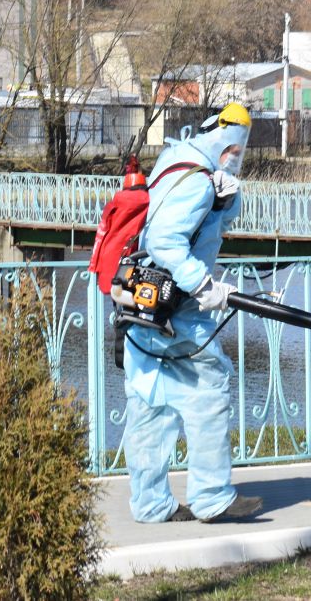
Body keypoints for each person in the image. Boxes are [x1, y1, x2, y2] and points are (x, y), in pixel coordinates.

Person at [122, 102, 264, 524]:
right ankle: (212, 496)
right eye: (237, 152)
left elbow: (190, 225)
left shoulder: (176, 158)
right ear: (228, 147)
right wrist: (205, 287)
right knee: (209, 388)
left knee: (149, 398)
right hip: (178, 304)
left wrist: (223, 205)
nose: (238, 159)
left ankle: (150, 503)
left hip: (142, 298)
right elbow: (167, 241)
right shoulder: (199, 181)